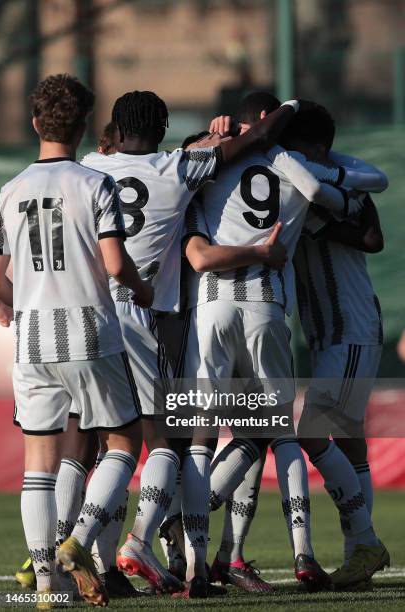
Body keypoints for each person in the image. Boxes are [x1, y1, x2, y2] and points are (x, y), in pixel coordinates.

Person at [80, 90, 299, 598]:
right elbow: (258, 138)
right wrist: (290, 105)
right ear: (161, 129)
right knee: (173, 442)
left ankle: (81, 563)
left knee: (102, 447)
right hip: (149, 317)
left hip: (87, 317)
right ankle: (150, 549)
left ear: (114, 127)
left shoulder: (89, 167)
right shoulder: (177, 169)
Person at [178, 91, 367, 595]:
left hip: (212, 306)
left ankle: (199, 550)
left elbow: (181, 173)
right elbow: (363, 196)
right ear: (268, 122)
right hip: (265, 307)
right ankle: (302, 554)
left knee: (206, 431)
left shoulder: (209, 161)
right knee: (279, 431)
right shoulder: (298, 170)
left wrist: (211, 138)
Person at [0, 73, 153, 607]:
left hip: (33, 338)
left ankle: (47, 584)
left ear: (37, 123)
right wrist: (143, 288)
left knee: (37, 462)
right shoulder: (94, 184)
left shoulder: (9, 191)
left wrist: (12, 303)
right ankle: (79, 542)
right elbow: (115, 264)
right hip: (90, 331)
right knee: (125, 441)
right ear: (85, 125)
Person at [278, 102, 390, 589]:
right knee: (349, 440)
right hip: (332, 331)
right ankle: (358, 556)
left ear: (319, 149)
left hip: (350, 327)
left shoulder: (337, 185)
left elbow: (373, 235)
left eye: (296, 147)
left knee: (310, 432)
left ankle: (364, 540)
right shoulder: (296, 185)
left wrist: (321, 222)